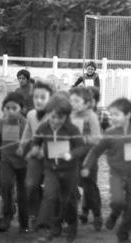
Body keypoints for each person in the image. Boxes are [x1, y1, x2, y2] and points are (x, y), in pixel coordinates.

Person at [81, 98, 131, 243]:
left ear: (128, 115)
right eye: (111, 115)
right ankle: (114, 214)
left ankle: (123, 233)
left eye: (116, 115)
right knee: (118, 201)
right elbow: (95, 151)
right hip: (117, 175)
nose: (112, 118)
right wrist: (87, 166)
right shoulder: (109, 133)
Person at [31, 94, 89, 242]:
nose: (56, 121)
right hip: (51, 169)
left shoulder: (72, 129)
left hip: (69, 170)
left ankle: (72, 225)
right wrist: (36, 149)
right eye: (53, 117)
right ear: (48, 114)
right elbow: (36, 141)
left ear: (67, 116)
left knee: (68, 199)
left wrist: (71, 154)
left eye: (60, 118)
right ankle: (48, 227)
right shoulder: (43, 127)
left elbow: (82, 148)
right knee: (50, 195)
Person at [0, 92, 28, 233]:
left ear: (22, 109)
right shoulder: (2, 122)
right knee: (6, 186)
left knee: (23, 194)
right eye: (7, 108)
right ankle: (6, 217)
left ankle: (24, 222)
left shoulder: (26, 123)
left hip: (24, 164)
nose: (10, 111)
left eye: (14, 108)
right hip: (6, 162)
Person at [18, 81, 54, 231]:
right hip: (35, 156)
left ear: (51, 98)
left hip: (54, 158)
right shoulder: (31, 114)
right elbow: (28, 132)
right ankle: (34, 216)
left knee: (53, 189)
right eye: (36, 97)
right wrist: (21, 146)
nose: (38, 100)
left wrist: (43, 150)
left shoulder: (56, 116)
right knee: (30, 185)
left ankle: (55, 217)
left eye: (43, 97)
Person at [69, 87, 103, 231]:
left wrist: (82, 139)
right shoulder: (70, 115)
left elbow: (97, 139)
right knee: (70, 186)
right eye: (72, 101)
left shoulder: (91, 116)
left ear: (87, 103)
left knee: (90, 187)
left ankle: (97, 215)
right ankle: (71, 220)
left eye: (77, 101)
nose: (73, 104)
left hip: (88, 156)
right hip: (73, 156)